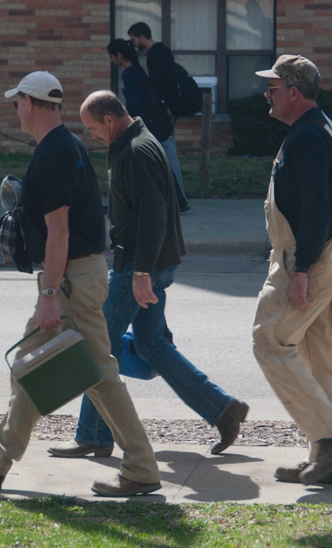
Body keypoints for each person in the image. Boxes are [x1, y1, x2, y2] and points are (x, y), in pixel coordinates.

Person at [0, 71, 163, 497]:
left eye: (16, 103)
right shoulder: (68, 145)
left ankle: (141, 467)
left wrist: (49, 295)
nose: (16, 110)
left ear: (29, 103)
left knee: (98, 374)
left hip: (69, 281)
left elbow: (58, 232)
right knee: (31, 363)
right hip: (73, 276)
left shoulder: (52, 154)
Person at [48, 90, 249, 460]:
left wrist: (141, 271)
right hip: (150, 263)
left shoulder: (137, 150)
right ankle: (223, 409)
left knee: (99, 345)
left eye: (93, 127)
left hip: (139, 267)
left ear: (109, 120)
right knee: (151, 344)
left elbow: (153, 217)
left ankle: (93, 435)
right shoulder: (134, 142)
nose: (92, 135)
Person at [251, 55, 332, 485]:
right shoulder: (321, 129)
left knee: (270, 341)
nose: (267, 94)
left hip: (309, 260)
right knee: (321, 357)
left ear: (294, 92)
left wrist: (301, 270)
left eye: (273, 88)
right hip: (331, 257)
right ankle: (329, 461)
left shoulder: (308, 137)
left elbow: (317, 209)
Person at [127, 22, 190, 213]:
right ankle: (176, 197)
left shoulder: (154, 57)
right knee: (166, 151)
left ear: (141, 37)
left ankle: (179, 198)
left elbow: (162, 85)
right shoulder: (162, 52)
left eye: (134, 39)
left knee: (168, 151)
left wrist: (166, 107)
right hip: (169, 108)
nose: (133, 44)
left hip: (165, 110)